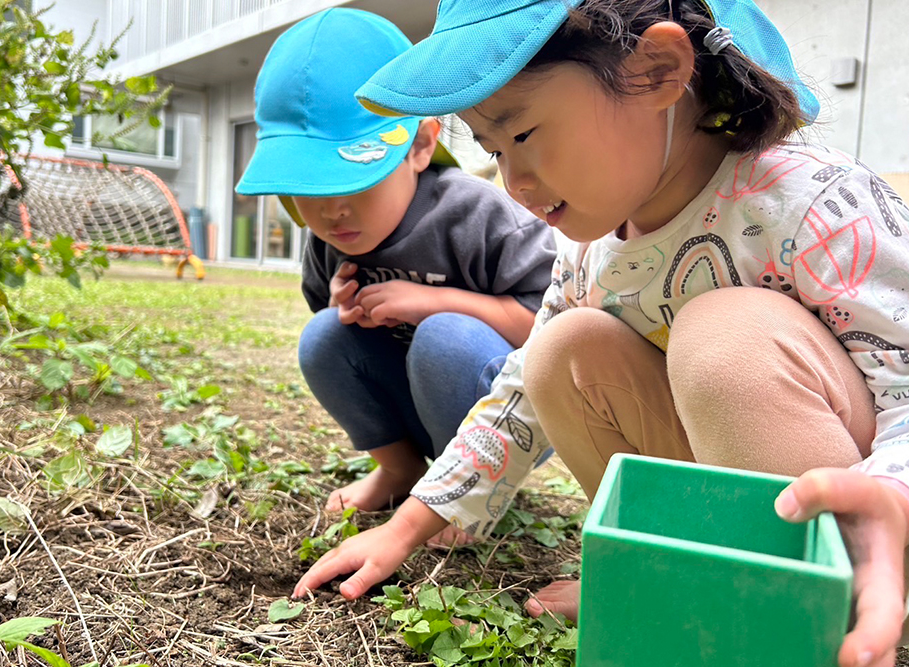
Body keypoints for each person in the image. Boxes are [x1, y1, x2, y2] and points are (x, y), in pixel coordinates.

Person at [294, 1, 909, 665]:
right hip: (737, 508)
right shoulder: (590, 248)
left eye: (523, 134)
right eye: (494, 151)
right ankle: (665, 575)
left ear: (657, 72)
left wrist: (893, 505)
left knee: (723, 336)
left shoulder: (811, 202)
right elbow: (518, 396)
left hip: (865, 532)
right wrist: (409, 526)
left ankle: (801, 607)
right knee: (562, 351)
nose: (514, 182)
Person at [236, 8, 557, 516]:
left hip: (505, 413)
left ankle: (466, 488)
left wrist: (433, 302)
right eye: (308, 187)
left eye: (353, 180)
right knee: (322, 335)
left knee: (444, 334)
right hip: (415, 402)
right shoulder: (331, 239)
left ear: (421, 146)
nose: (330, 210)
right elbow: (344, 347)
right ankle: (400, 467)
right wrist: (344, 310)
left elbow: (549, 341)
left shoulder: (479, 217)